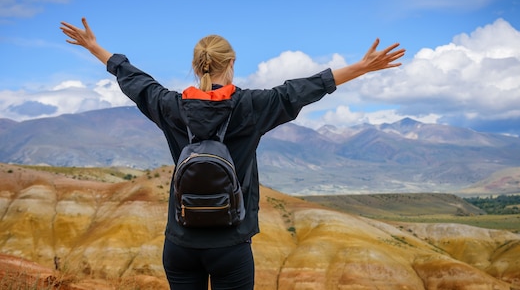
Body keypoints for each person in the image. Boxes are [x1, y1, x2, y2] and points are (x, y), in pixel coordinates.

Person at [60, 17, 405, 290]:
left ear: (196, 66)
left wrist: (95, 48)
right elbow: (299, 91)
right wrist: (361, 68)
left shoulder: (171, 107)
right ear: (232, 63)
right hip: (230, 242)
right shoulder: (252, 106)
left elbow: (136, 82)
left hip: (180, 243)